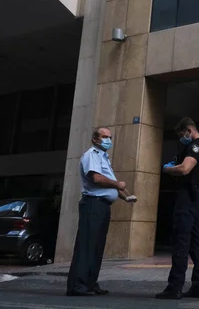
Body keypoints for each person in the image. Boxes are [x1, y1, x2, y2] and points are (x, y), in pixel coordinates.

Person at [66, 127, 136, 297]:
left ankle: (90, 283)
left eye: (110, 137)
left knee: (97, 246)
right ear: (95, 139)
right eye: (104, 137)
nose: (108, 140)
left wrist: (125, 198)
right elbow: (96, 179)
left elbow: (110, 184)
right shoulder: (92, 155)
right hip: (93, 204)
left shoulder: (104, 157)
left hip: (102, 206)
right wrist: (117, 184)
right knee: (87, 245)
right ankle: (78, 286)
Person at [156, 117, 199, 300]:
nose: (182, 139)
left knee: (181, 240)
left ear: (189, 130)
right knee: (197, 242)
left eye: (182, 135)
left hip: (189, 196)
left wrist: (168, 169)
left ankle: (174, 287)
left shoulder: (197, 145)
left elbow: (185, 169)